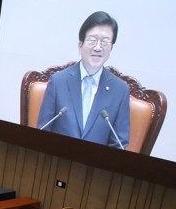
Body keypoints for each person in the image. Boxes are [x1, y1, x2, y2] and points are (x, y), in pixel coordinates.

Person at [36, 11, 130, 149]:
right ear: (80, 46)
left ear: (111, 48)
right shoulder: (58, 82)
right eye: (92, 40)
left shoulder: (120, 91)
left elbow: (119, 143)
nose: (98, 47)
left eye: (104, 42)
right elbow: (42, 133)